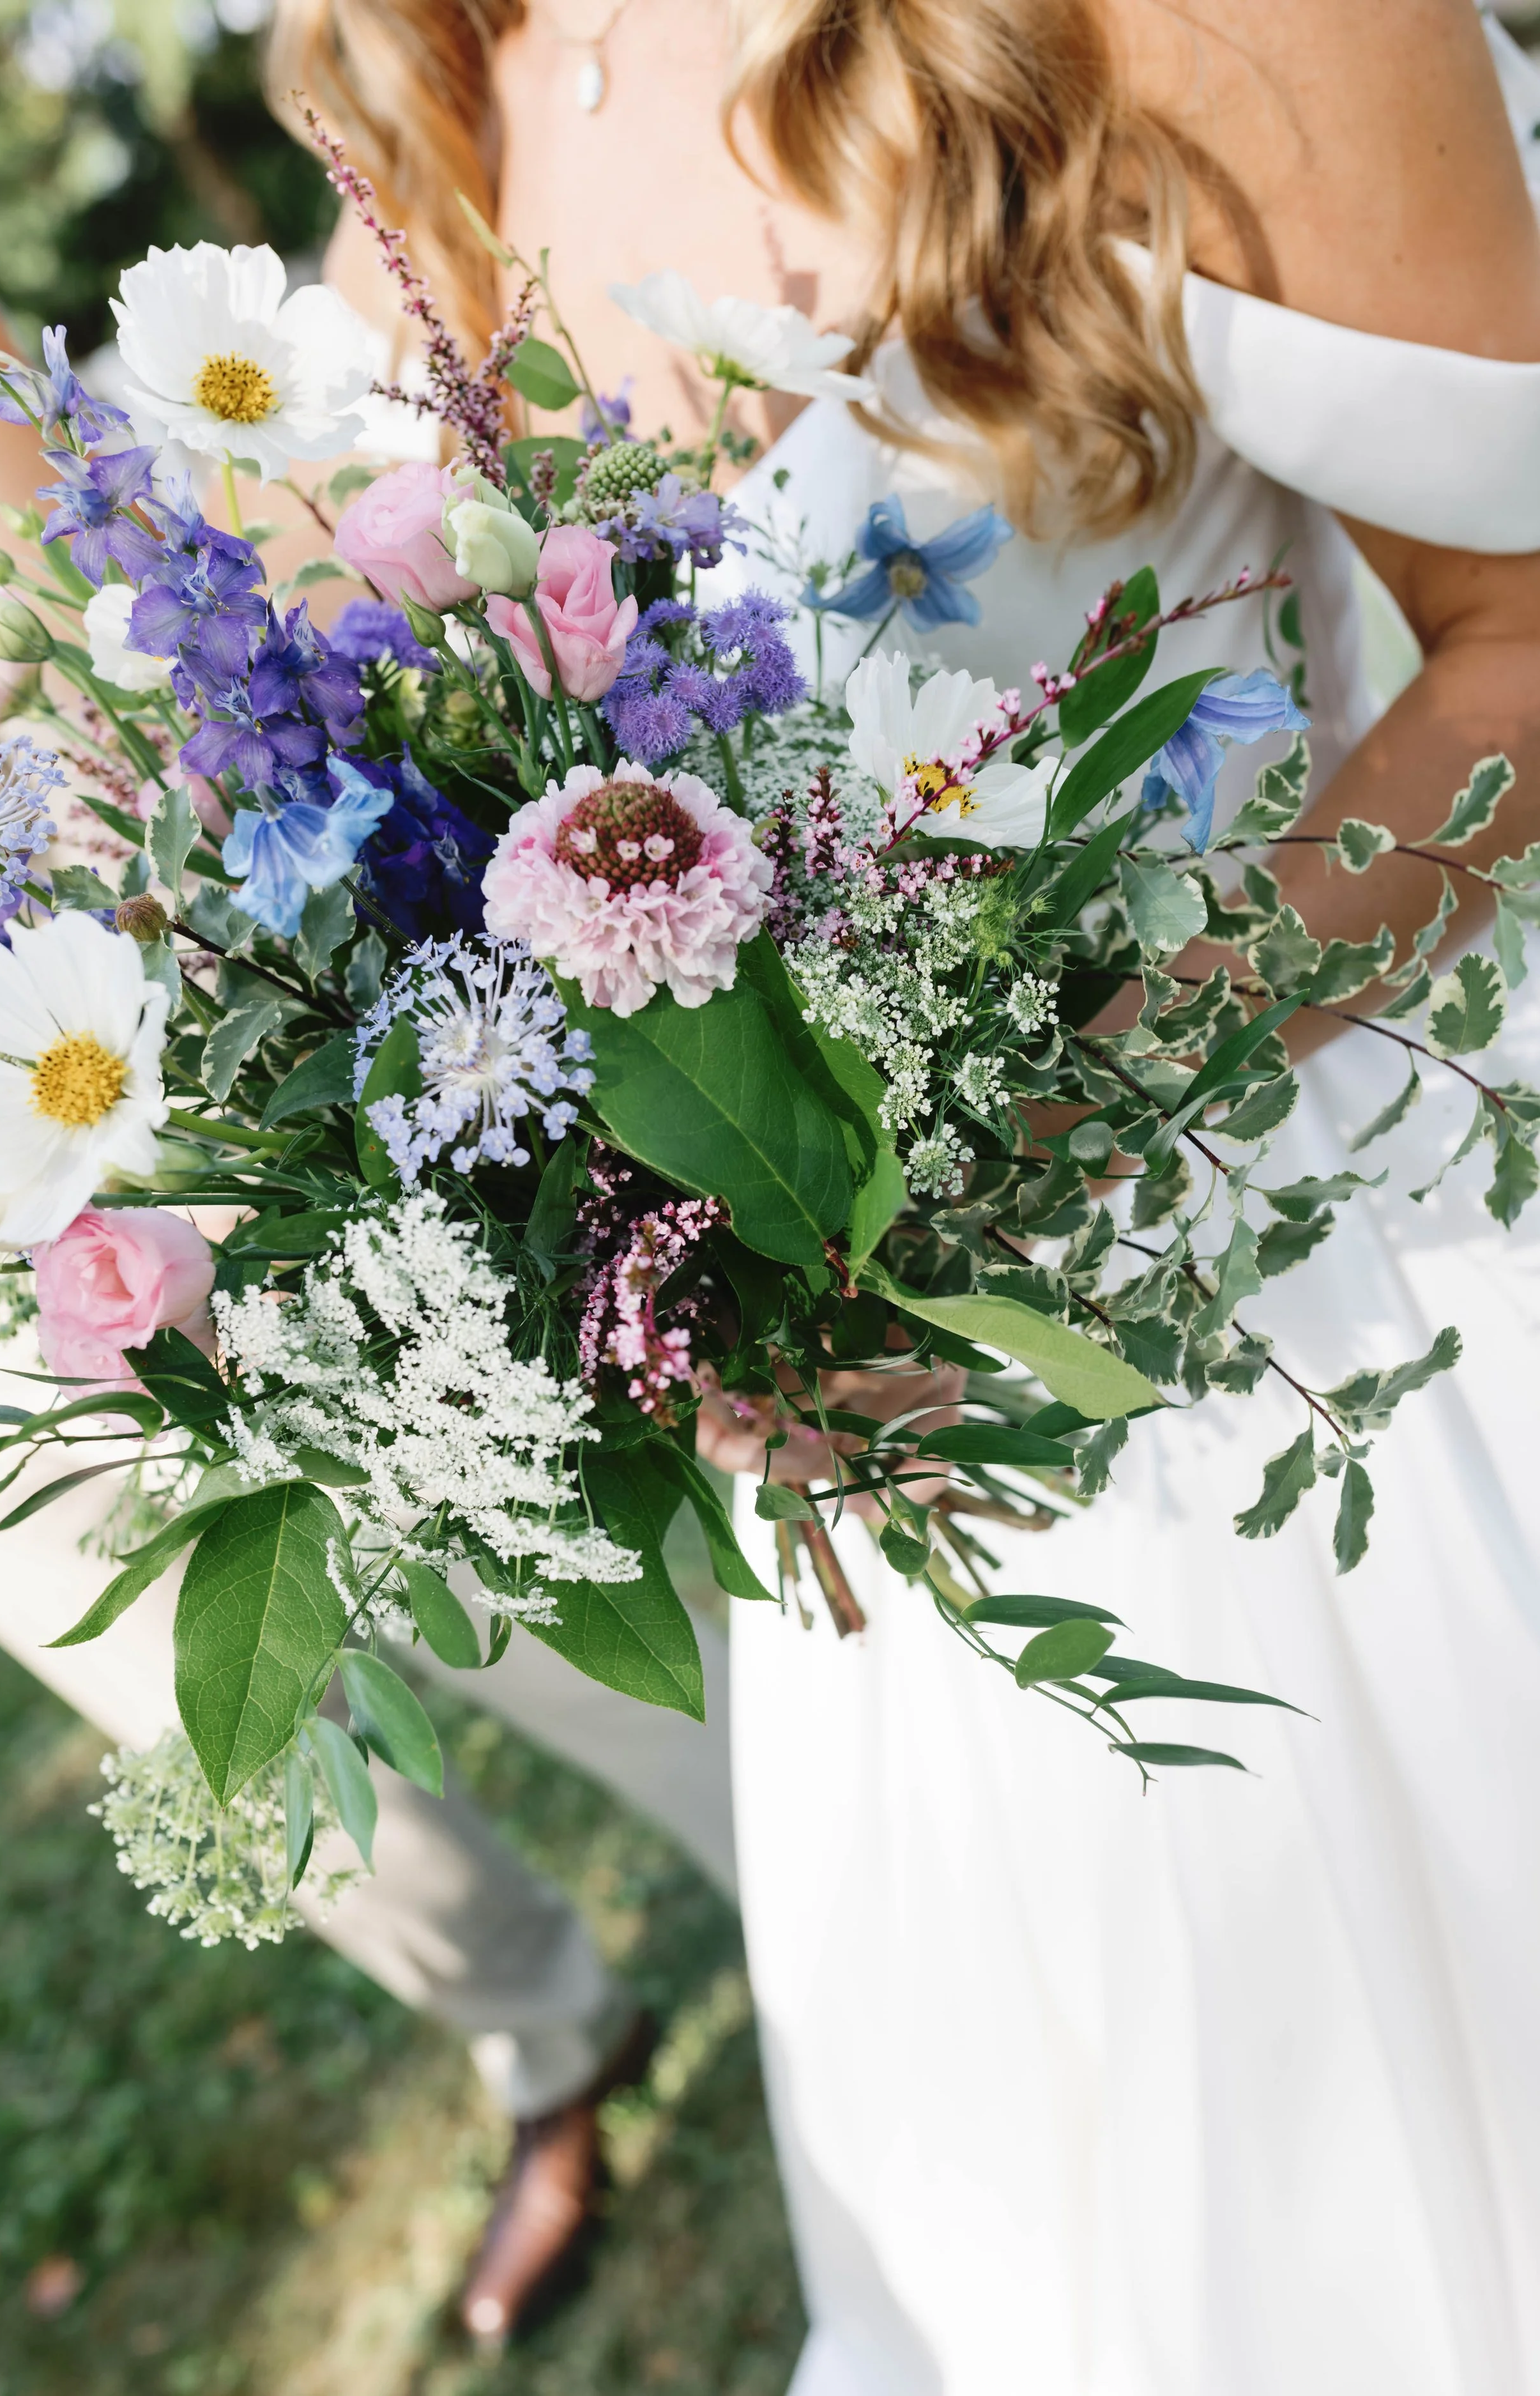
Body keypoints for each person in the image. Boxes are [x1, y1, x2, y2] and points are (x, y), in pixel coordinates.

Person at [271, 2, 1540, 2390]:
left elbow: (1521, 640)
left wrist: (1053, 1145)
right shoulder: (443, 77)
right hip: (892, 1587)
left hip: (1321, 1363)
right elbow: (232, 682)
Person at [0, 217, 736, 2350]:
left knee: (447, 1466)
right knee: (191, 1683)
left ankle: (836, 1855)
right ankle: (542, 2029)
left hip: (27, 932)